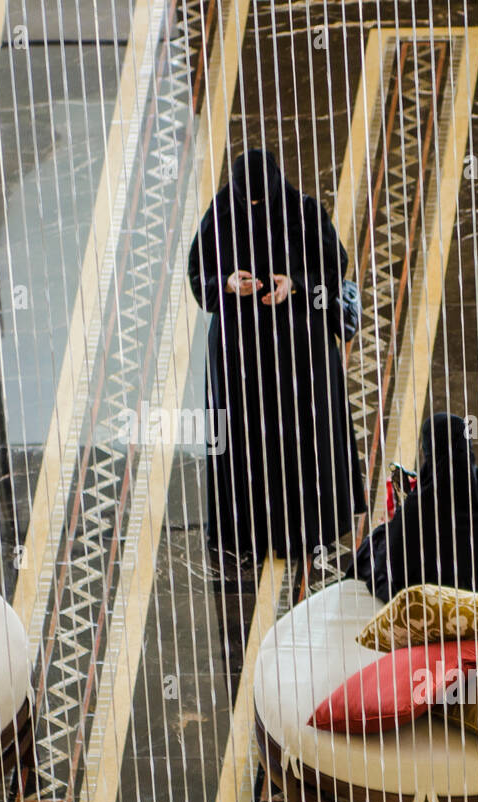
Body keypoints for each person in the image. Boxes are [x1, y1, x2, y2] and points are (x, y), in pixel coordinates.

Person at [187, 148, 366, 562]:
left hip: (299, 346)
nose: (251, 206)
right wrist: (228, 283)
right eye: (246, 200)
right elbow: (199, 271)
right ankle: (246, 531)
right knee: (245, 434)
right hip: (239, 352)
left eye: (258, 200)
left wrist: (294, 283)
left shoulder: (302, 211)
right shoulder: (222, 211)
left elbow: (333, 265)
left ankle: (309, 526)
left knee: (302, 429)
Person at [349, 413, 478, 602]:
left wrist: (394, 522)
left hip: (435, 603)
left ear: (429, 451)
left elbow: (395, 569)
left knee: (375, 544)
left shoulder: (417, 507)